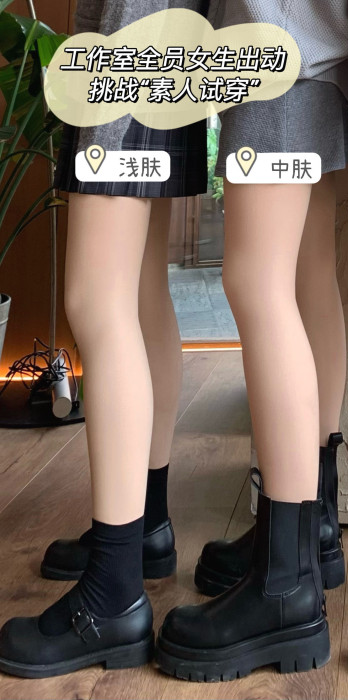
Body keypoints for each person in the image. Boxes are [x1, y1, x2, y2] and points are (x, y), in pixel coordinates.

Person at [152, 0, 348, 682]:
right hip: (319, 58)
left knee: (259, 283)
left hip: (276, 54)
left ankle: (285, 584)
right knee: (305, 278)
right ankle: (308, 532)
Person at [0, 0, 210, 679]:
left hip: (129, 43)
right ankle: (143, 527)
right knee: (140, 292)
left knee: (97, 300)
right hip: (164, 44)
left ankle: (113, 594)